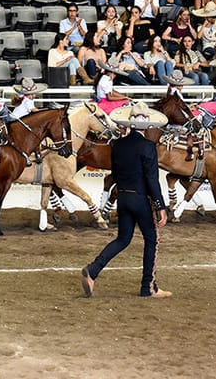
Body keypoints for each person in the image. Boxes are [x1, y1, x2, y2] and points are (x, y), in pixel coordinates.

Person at [81, 101, 171, 299]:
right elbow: (151, 179)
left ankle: (93, 270)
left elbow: (115, 172)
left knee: (123, 239)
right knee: (152, 239)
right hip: (140, 199)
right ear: (147, 125)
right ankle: (148, 287)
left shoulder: (118, 145)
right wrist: (160, 206)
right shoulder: (148, 146)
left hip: (123, 197)